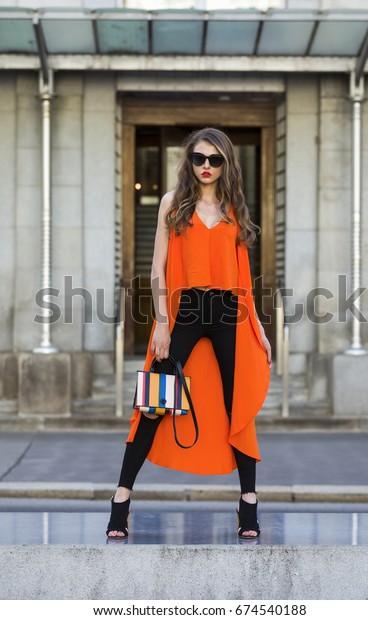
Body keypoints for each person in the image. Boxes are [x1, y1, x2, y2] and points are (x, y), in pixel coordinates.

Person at [106, 127, 271, 540]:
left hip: (230, 314)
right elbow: (157, 268)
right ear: (189, 161)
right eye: (199, 158)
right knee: (152, 403)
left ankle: (248, 502)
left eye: (215, 160)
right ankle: (121, 498)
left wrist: (260, 327)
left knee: (238, 405)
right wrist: (161, 322)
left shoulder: (234, 207)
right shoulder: (172, 203)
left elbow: (244, 279)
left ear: (226, 163)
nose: (206, 167)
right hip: (186, 313)